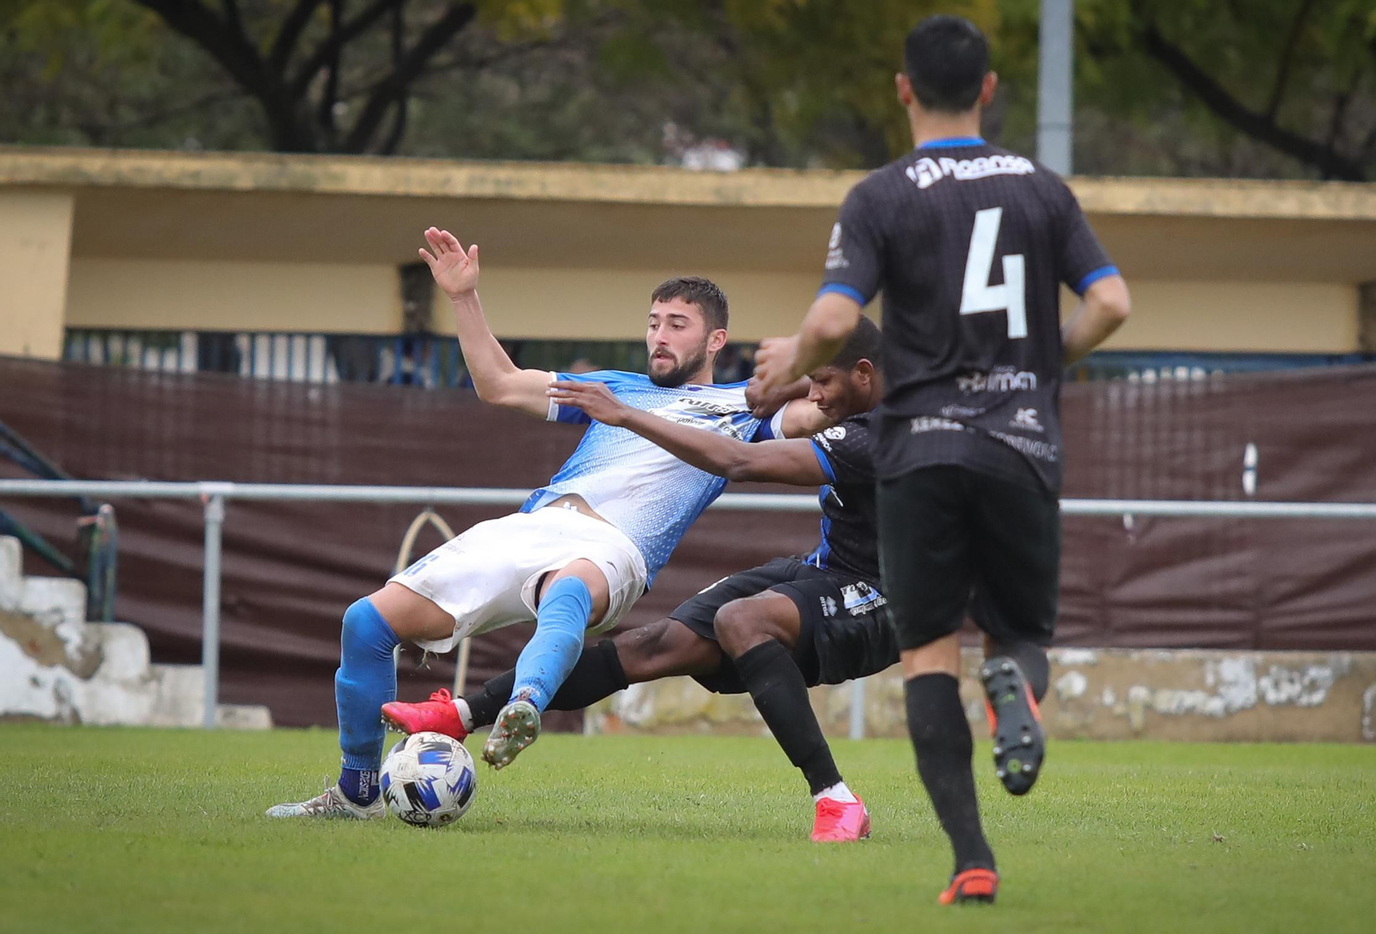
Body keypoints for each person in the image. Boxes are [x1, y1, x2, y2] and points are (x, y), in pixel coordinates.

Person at [749, 16, 1132, 905]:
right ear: (989, 91)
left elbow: (839, 319)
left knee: (927, 655)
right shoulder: (1042, 189)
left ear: (903, 90)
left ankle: (972, 861)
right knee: (1019, 637)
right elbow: (1112, 301)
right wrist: (1040, 367)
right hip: (1021, 440)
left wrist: (788, 364)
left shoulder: (882, 196)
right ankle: (1016, 695)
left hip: (918, 450)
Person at [267, 228, 820, 819]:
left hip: (617, 547)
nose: (659, 335)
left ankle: (524, 704)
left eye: (677, 324)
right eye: (654, 321)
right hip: (534, 524)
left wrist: (811, 356)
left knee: (570, 589)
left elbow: (836, 398)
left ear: (716, 339)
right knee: (365, 623)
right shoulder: (613, 388)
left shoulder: (746, 409)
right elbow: (499, 384)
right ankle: (356, 796)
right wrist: (462, 298)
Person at [384, 319, 896, 842]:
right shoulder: (871, 392)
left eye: (823, 382)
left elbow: (738, 460)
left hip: (891, 597)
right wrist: (792, 366)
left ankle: (835, 800)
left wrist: (627, 415)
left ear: (863, 373)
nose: (814, 394)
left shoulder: (881, 436)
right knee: (653, 645)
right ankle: (462, 716)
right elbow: (765, 397)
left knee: (741, 620)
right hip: (825, 568)